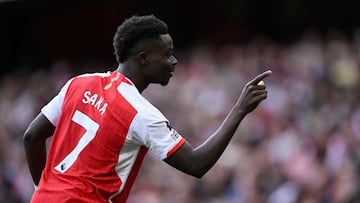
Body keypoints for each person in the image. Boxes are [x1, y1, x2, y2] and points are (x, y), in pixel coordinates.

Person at [23, 14, 272, 203]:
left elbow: (32, 136)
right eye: (167, 54)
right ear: (143, 58)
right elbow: (197, 164)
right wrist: (240, 109)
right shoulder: (140, 113)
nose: (173, 61)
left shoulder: (78, 84)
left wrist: (45, 187)